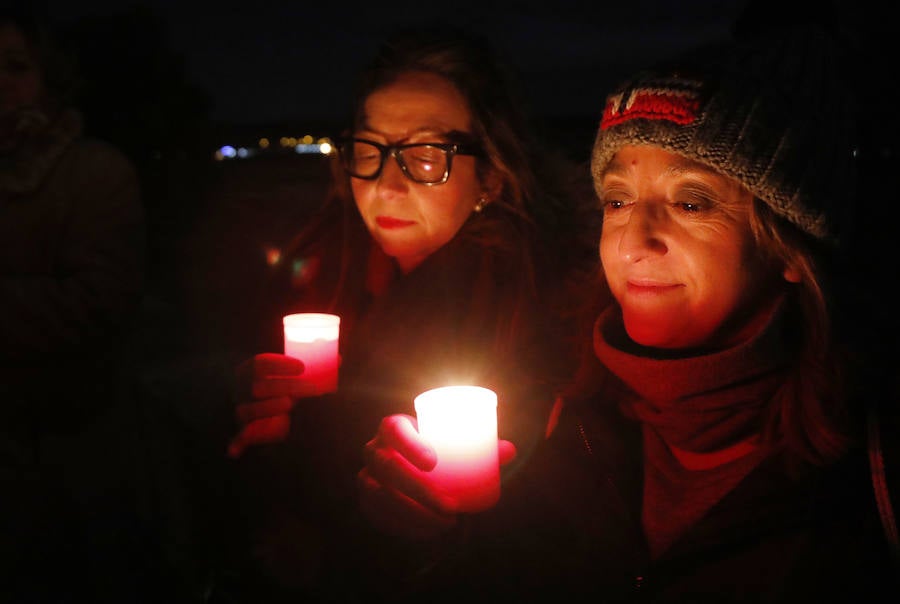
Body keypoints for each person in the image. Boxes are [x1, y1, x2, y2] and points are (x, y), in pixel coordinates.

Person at [356, 17, 899, 603]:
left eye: (691, 201)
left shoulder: (869, 470)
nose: (633, 240)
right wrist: (424, 534)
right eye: (617, 200)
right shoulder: (559, 407)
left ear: (788, 246)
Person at [215, 24, 599, 601]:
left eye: (425, 156)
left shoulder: (537, 314)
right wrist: (261, 414)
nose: (386, 187)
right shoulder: (327, 265)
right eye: (369, 150)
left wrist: (422, 526)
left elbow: (537, 542)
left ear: (490, 177)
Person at [0, 5, 148, 603]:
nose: (0, 85)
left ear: (46, 78)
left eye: (15, 66)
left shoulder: (93, 173)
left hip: (68, 449)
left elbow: (98, 303)